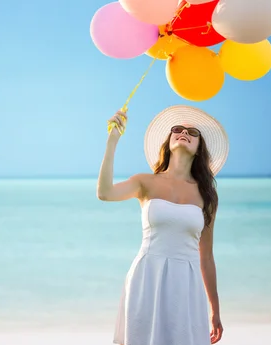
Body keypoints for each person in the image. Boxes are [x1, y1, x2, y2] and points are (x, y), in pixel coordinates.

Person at [97, 105, 229, 345]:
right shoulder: (145, 182)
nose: (184, 133)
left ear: (200, 149)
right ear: (168, 141)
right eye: (177, 129)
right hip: (147, 277)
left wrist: (215, 310)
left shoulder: (207, 196)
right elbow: (105, 193)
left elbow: (207, 257)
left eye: (193, 132)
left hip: (187, 285)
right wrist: (113, 141)